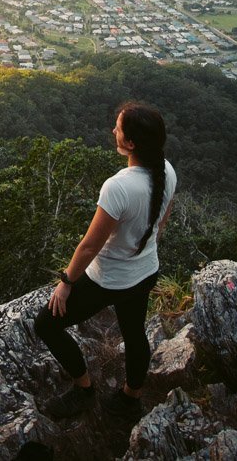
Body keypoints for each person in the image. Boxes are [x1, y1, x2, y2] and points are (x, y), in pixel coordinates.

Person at [33, 101, 177, 420]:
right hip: (146, 271)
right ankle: (131, 397)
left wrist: (66, 283)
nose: (113, 130)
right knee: (134, 332)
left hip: (108, 280)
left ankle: (84, 390)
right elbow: (160, 224)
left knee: (46, 325)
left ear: (130, 143)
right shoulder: (167, 170)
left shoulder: (119, 187)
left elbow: (89, 246)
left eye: (118, 128)